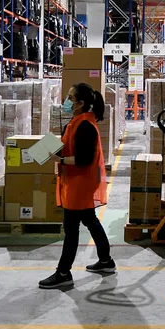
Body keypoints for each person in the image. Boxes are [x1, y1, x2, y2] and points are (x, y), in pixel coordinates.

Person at [39, 83, 115, 289]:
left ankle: (63, 272)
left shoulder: (85, 126)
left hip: (79, 185)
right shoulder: (76, 122)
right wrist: (46, 148)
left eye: (70, 98)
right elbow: (69, 147)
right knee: (90, 220)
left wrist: (58, 159)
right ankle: (106, 261)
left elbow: (83, 159)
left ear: (80, 103)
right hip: (76, 183)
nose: (66, 101)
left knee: (71, 230)